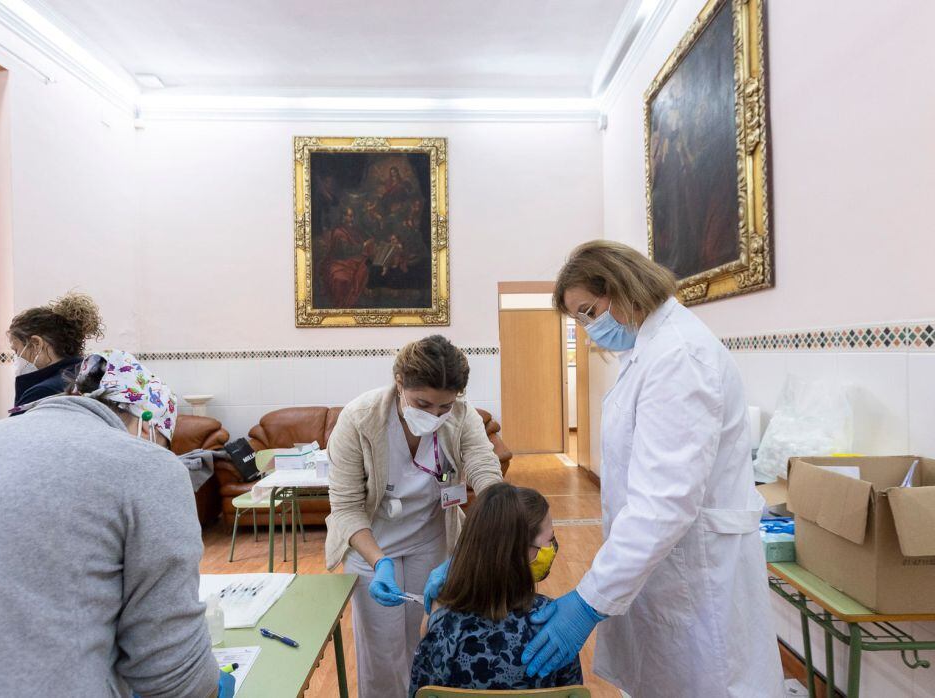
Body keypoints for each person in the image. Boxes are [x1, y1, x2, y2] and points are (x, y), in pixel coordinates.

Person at [424, 240, 785, 697]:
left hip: (698, 574)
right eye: (579, 318)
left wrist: (588, 602)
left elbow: (663, 504)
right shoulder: (647, 351)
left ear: (621, 287)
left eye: (587, 311)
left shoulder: (680, 358)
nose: (588, 327)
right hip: (667, 567)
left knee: (709, 681)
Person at [0, 349, 233, 698]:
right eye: (166, 443)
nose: (165, 453)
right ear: (147, 424)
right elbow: (175, 676)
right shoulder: (147, 467)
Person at [325, 335, 504, 698]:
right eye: (423, 404)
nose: (435, 416)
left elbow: (483, 465)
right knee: (383, 654)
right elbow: (345, 507)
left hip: (430, 540)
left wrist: (497, 503)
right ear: (399, 383)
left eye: (444, 407)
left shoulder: (462, 415)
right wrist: (379, 562)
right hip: (371, 545)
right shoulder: (359, 419)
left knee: (428, 641)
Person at [408, 484, 581, 697]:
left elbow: (420, 690)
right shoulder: (556, 628)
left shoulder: (443, 630)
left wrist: (431, 618)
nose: (552, 546)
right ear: (522, 552)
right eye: (549, 539)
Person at [6, 291, 104, 413]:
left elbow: (18, 431)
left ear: (36, 344)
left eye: (16, 351)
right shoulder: (88, 376)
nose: (17, 358)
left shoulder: (42, 393)